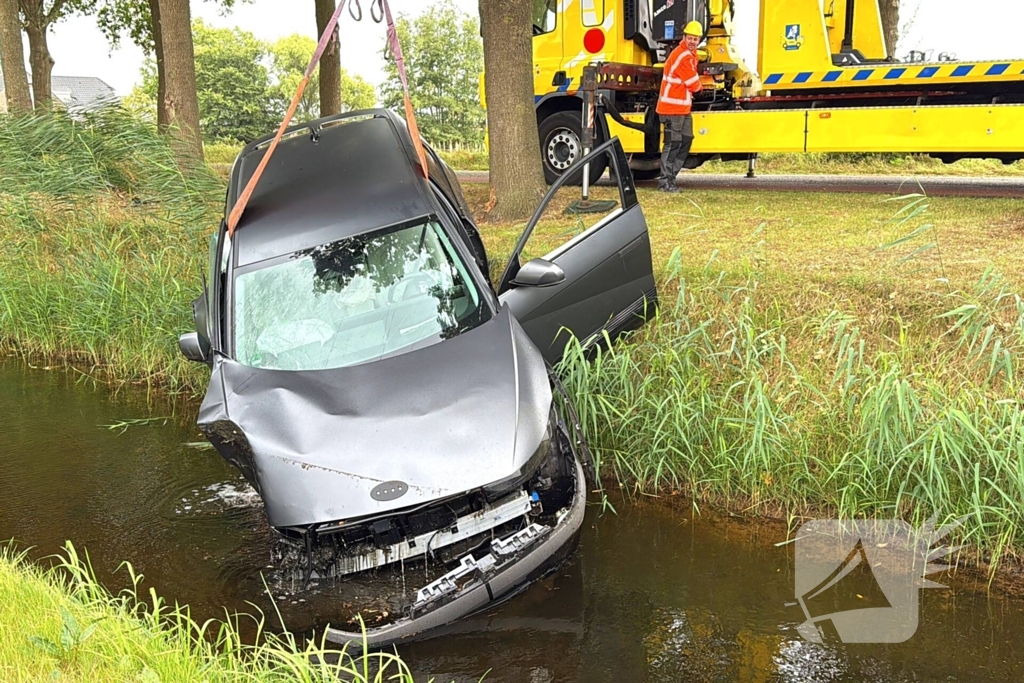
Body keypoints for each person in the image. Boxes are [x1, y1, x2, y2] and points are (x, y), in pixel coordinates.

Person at [656, 20, 704, 193]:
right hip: (671, 109)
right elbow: (693, 84)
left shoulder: (688, 55)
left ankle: (671, 178)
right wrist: (701, 86)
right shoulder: (683, 56)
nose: (693, 41)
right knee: (673, 144)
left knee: (686, 139)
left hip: (682, 109)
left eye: (695, 39)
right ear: (684, 38)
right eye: (690, 38)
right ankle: (664, 182)